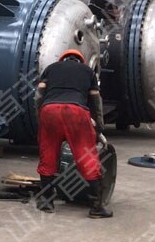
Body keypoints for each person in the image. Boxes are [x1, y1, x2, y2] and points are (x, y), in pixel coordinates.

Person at [34, 50, 112, 218]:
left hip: (50, 110)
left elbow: (38, 96)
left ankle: (47, 202)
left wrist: (41, 116)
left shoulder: (51, 68)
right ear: (80, 61)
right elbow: (96, 101)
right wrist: (99, 126)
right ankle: (96, 207)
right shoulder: (88, 71)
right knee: (87, 157)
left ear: (62, 59)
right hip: (76, 112)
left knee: (48, 155)